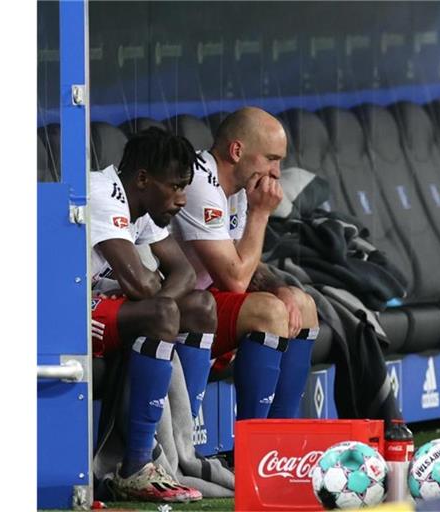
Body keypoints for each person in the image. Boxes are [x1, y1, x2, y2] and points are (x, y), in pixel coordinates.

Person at [90, 127, 216, 503]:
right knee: (162, 311)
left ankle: (184, 450)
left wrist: (164, 308)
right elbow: (141, 287)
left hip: (100, 307)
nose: (181, 199)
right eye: (175, 187)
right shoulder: (103, 193)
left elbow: (185, 274)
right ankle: (136, 467)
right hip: (58, 316)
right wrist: (160, 309)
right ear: (143, 178)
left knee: (201, 307)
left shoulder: (140, 209)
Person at [171, 106, 320, 420]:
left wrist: (282, 289)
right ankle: (257, 447)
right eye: (271, 159)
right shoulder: (199, 182)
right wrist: (261, 214)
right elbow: (235, 280)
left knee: (301, 304)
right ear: (237, 151)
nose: (277, 173)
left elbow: (245, 264)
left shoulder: (238, 186)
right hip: (173, 308)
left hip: (205, 302)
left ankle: (284, 442)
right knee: (268, 311)